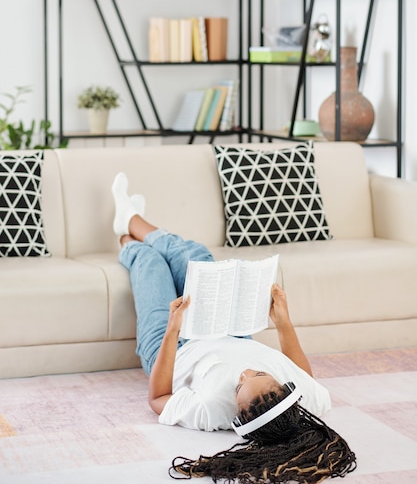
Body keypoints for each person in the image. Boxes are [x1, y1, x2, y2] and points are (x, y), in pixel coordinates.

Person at [112, 172, 357, 483]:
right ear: (283, 388)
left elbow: (157, 397)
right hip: (228, 329)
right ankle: (130, 219)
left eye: (239, 387)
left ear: (237, 414)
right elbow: (304, 374)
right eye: (258, 373)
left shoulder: (213, 408)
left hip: (173, 347)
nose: (244, 373)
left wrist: (173, 329)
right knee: (197, 256)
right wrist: (283, 322)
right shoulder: (305, 399)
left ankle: (124, 234)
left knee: (150, 263)